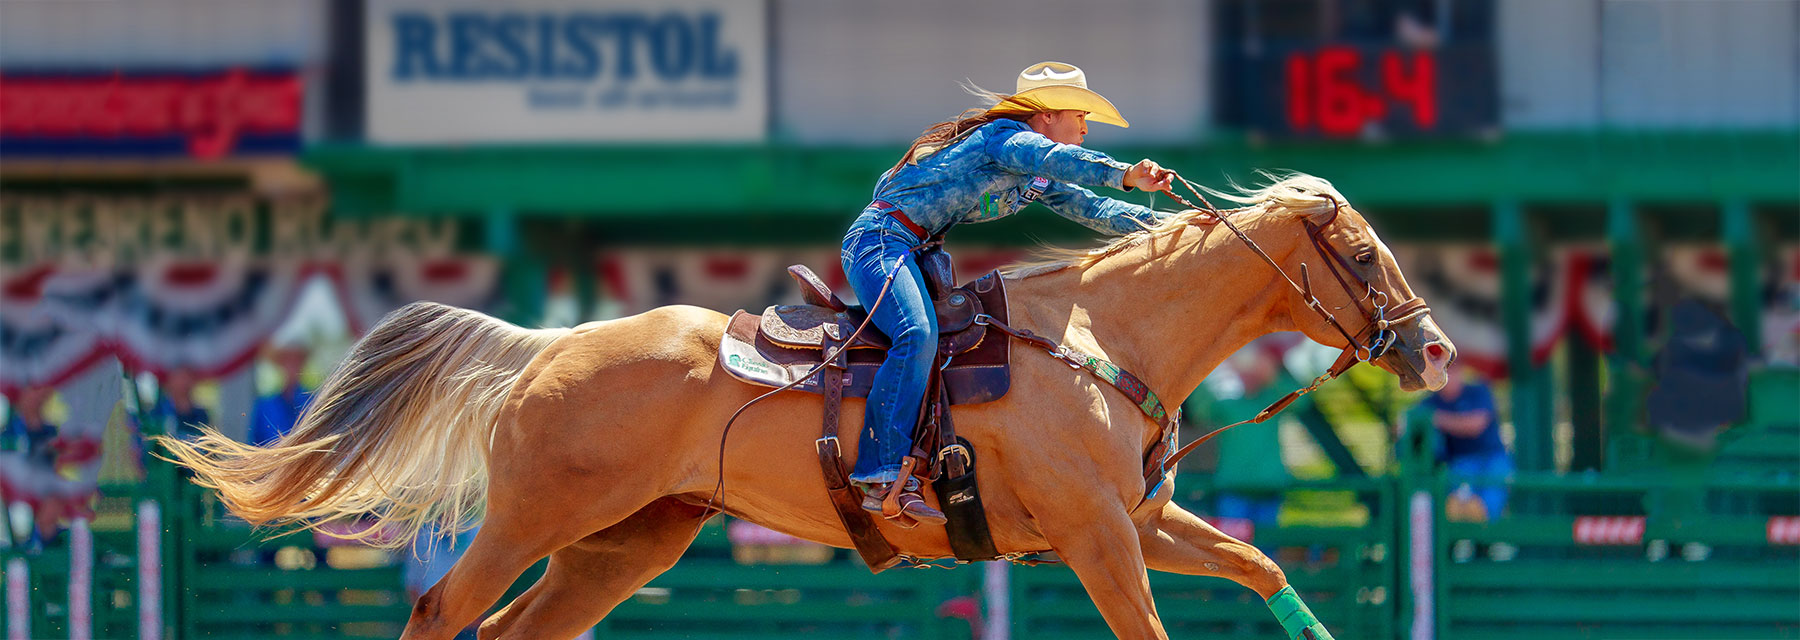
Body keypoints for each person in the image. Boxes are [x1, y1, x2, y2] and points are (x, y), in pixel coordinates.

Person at [841, 61, 1181, 525]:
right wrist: (1126, 173)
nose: (1084, 129)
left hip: (911, 249)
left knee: (930, 341)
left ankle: (914, 466)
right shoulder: (1003, 139)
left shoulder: (1029, 170)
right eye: (1078, 116)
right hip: (880, 242)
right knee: (915, 335)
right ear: (1044, 117)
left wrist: (1181, 228)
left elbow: (1092, 207)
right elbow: (1063, 162)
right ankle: (879, 470)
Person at [1420, 361, 1512, 521]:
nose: (1449, 377)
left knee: (1492, 492)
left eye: (1453, 371)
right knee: (1457, 498)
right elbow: (1405, 423)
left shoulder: (1477, 391)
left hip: (1492, 457)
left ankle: (1485, 529)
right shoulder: (1430, 402)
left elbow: (1476, 424)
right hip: (1460, 462)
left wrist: (1438, 419)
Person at [251, 344, 313, 446]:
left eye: (296, 360)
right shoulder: (264, 406)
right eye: (287, 360)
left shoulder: (314, 401)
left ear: (302, 363)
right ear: (280, 364)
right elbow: (254, 444)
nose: (291, 366)